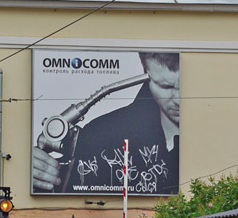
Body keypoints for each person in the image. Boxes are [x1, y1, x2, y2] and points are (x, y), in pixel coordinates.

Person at [33, 52, 181, 195]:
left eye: (187, 86)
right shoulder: (97, 136)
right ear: (146, 73)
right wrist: (35, 173)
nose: (179, 100)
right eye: (166, 86)